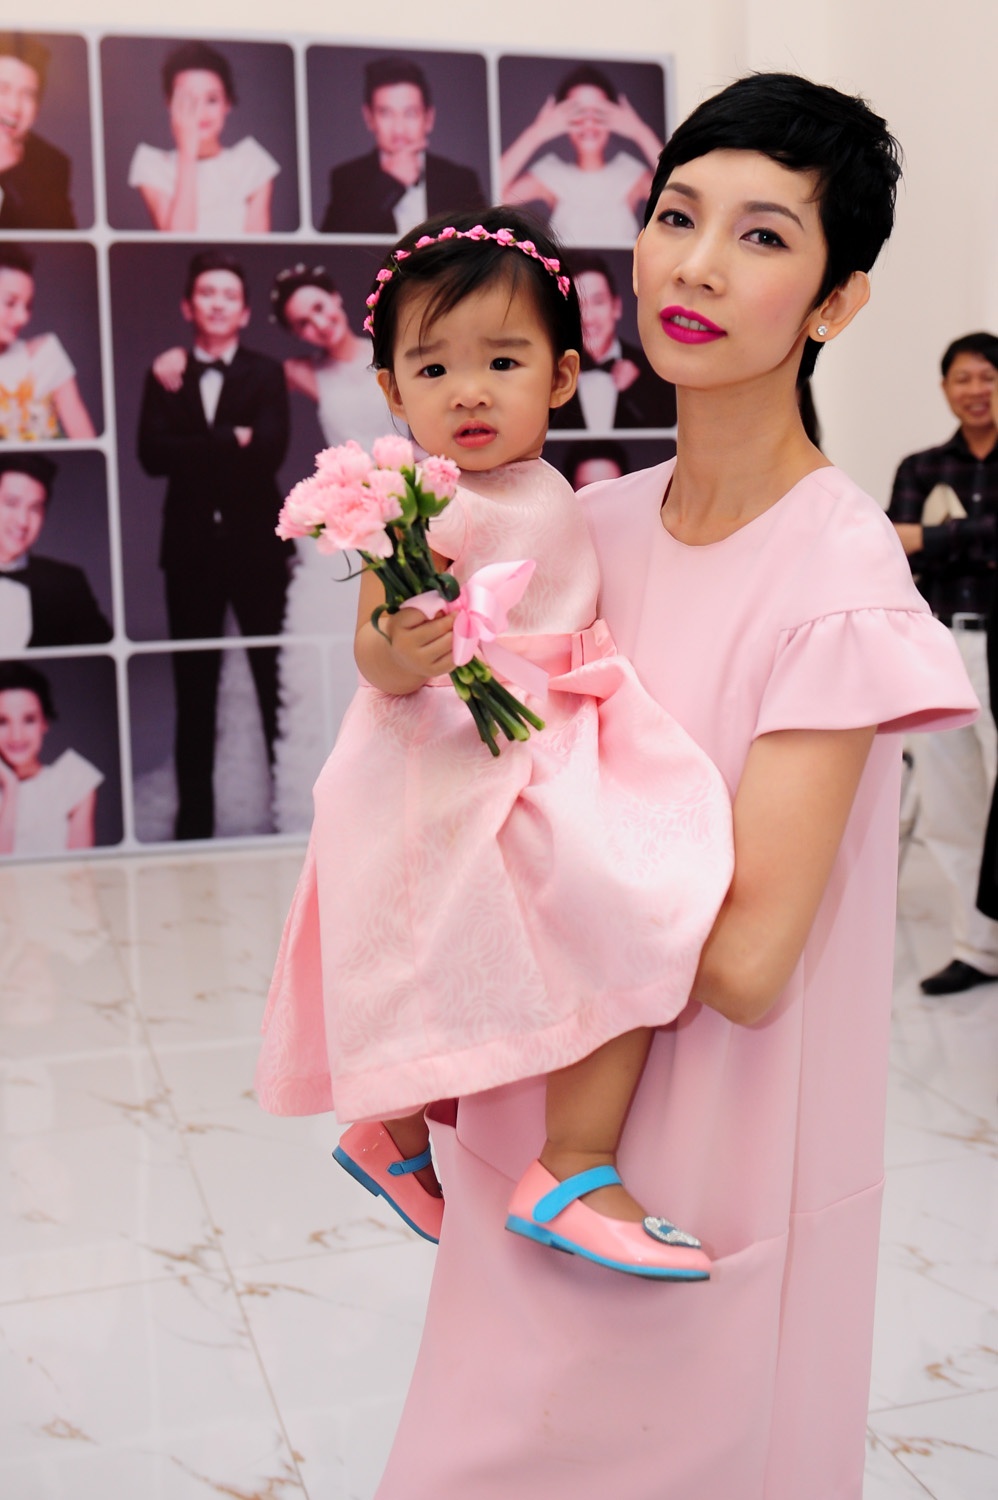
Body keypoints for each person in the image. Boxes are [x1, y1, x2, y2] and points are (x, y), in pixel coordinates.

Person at [357, 76, 977, 1500]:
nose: (694, 265)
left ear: (835, 303)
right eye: (676, 217)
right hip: (520, 1147)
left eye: (761, 237)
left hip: (695, 1174)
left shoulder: (833, 570)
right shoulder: (586, 526)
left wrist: (527, 853)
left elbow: (748, 964)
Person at [257, 205, 736, 1280]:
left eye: (502, 362)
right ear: (391, 391)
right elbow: (375, 648)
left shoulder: (556, 486)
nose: (468, 392)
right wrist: (406, 646)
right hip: (446, 742)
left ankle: (403, 1132)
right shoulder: (417, 504)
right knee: (577, 902)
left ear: (561, 378)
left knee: (643, 883)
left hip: (550, 718)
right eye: (432, 369)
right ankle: (564, 1163)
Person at [137, 249, 291, 841]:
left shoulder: (265, 373)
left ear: (245, 312)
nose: (218, 303)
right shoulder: (166, 373)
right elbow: (152, 455)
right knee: (193, 689)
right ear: (188, 306)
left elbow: (271, 449)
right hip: (189, 550)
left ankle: (290, 818)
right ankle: (194, 828)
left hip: (258, 548)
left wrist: (201, 445)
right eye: (207, 293)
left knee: (273, 681)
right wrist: (231, 439)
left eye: (229, 295)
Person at [887, 332, 998, 993]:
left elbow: (916, 541)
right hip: (941, 647)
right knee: (951, 804)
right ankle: (977, 948)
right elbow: (892, 550)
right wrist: (963, 542)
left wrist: (930, 538)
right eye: (963, 378)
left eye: (988, 377)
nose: (976, 390)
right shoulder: (921, 468)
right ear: (945, 388)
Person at [500, 63, 662, 247]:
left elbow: (676, 197)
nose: (588, 123)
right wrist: (536, 134)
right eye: (578, 113)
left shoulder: (631, 173)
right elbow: (491, 193)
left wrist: (641, 133)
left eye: (598, 113)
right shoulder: (552, 174)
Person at [319, 56, 486, 235]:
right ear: (369, 118)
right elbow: (335, 244)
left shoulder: (461, 180)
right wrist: (390, 183)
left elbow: (482, 244)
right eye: (386, 113)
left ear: (429, 118)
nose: (399, 129)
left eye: (410, 113)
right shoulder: (346, 179)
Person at [128, 40, 279, 234]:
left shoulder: (252, 163)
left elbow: (257, 248)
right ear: (170, 104)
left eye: (212, 99)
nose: (200, 112)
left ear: (227, 103)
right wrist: (187, 153)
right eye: (188, 100)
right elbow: (178, 242)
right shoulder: (153, 165)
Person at [549, 251, 673, 429]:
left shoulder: (656, 368)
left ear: (616, 307)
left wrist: (635, 391)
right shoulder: (550, 371)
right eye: (578, 304)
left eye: (598, 302)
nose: (588, 317)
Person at [0, 453, 111, 650]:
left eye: (35, 509)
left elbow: (102, 656)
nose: (23, 521)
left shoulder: (67, 585)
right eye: (12, 503)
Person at [0, 660, 102, 854]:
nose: (16, 736)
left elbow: (80, 869)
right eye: (2, 721)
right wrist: (11, 787)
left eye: (29, 720)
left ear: (44, 723)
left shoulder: (74, 781)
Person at [0, 245, 96, 442]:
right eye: (10, 303)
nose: (22, 317)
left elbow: (87, 445)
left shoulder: (44, 355)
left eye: (28, 306)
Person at [0, 32, 75, 229]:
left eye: (27, 95)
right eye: (3, 89)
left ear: (38, 109)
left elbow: (64, 240)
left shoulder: (53, 165)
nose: (14, 107)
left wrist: (14, 173)